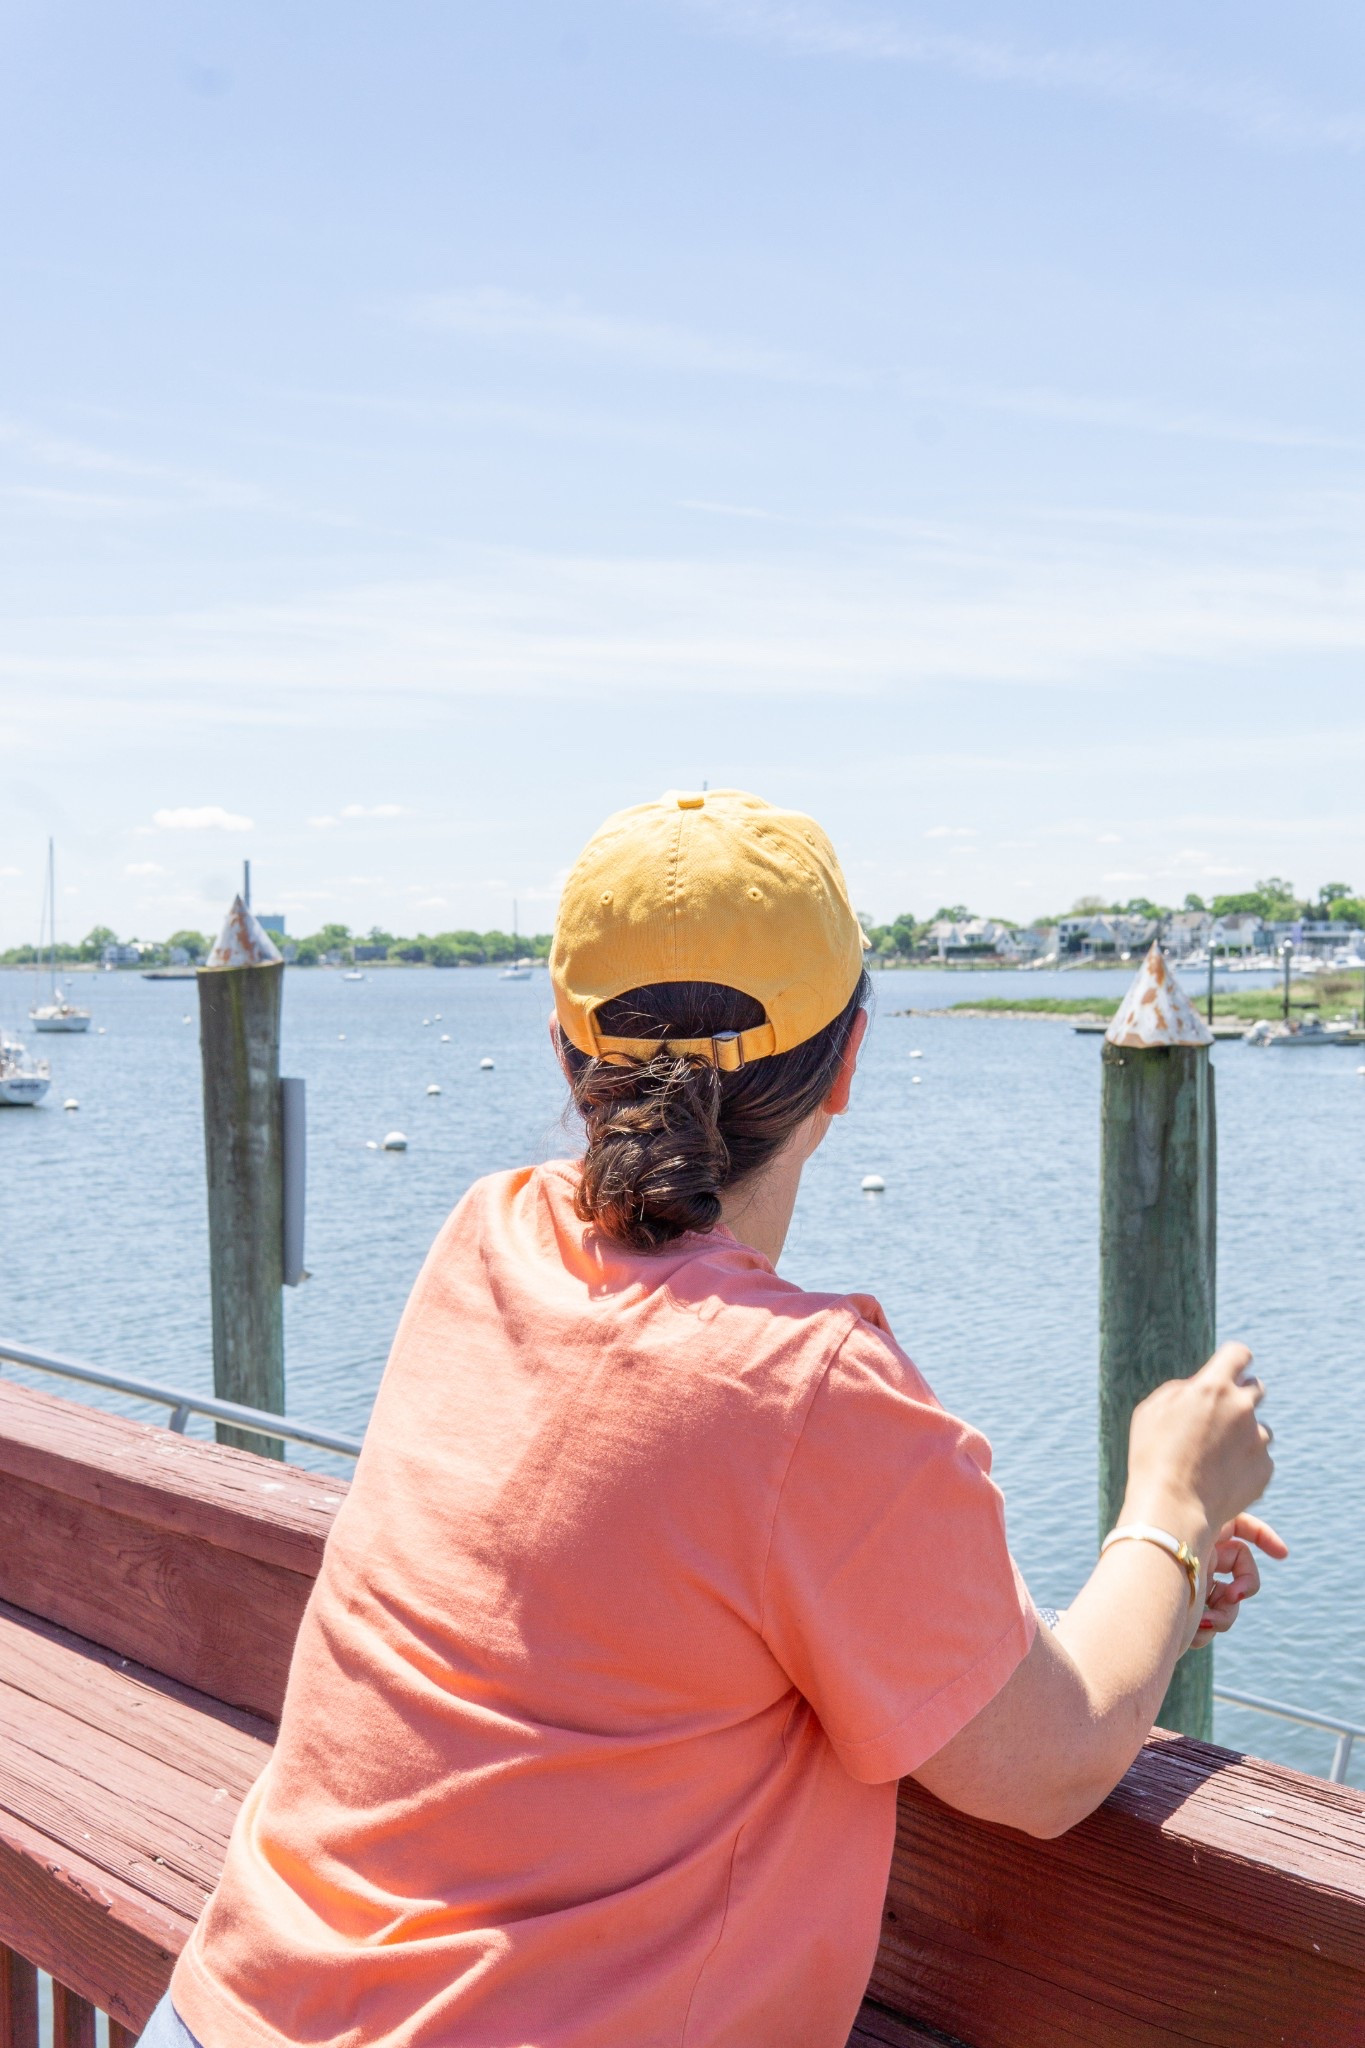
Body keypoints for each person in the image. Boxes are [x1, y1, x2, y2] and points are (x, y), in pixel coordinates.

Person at [145, 789, 1282, 2048]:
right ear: (847, 1062)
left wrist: (1146, 1598)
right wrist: (1173, 1498)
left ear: (566, 1052)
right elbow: (1051, 1762)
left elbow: (676, 1590)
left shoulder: (486, 1239)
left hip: (226, 2005)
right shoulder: (810, 1395)